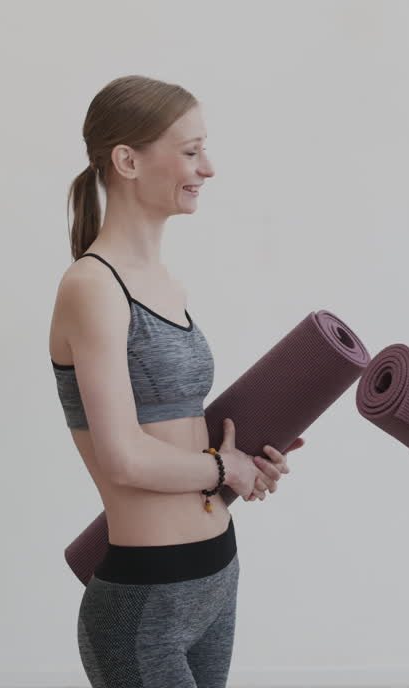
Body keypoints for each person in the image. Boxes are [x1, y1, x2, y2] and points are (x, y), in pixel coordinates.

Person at [48, 75, 299, 688]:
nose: (207, 168)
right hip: (146, 599)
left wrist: (247, 461)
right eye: (190, 151)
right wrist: (222, 468)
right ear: (128, 161)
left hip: (214, 575)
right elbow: (125, 458)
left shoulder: (165, 282)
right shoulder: (92, 286)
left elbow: (179, 435)